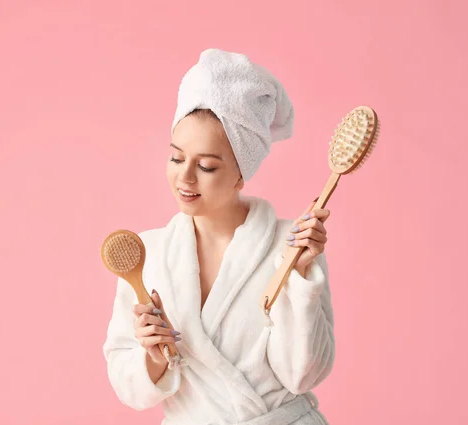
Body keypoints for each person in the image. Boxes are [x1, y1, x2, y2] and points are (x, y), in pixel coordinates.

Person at [103, 48, 335, 425]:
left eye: (207, 166)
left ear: (241, 173)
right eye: (177, 159)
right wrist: (154, 356)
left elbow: (303, 374)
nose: (185, 178)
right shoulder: (147, 254)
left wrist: (300, 277)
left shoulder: (290, 246)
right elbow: (127, 384)